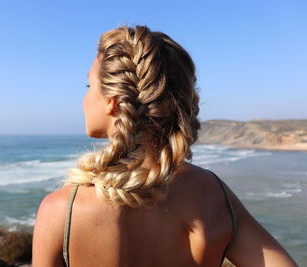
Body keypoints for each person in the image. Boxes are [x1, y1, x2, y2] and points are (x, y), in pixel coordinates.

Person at [32, 24, 298, 267]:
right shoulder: (212, 193)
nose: (84, 97)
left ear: (112, 102)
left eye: (89, 85)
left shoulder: (61, 210)